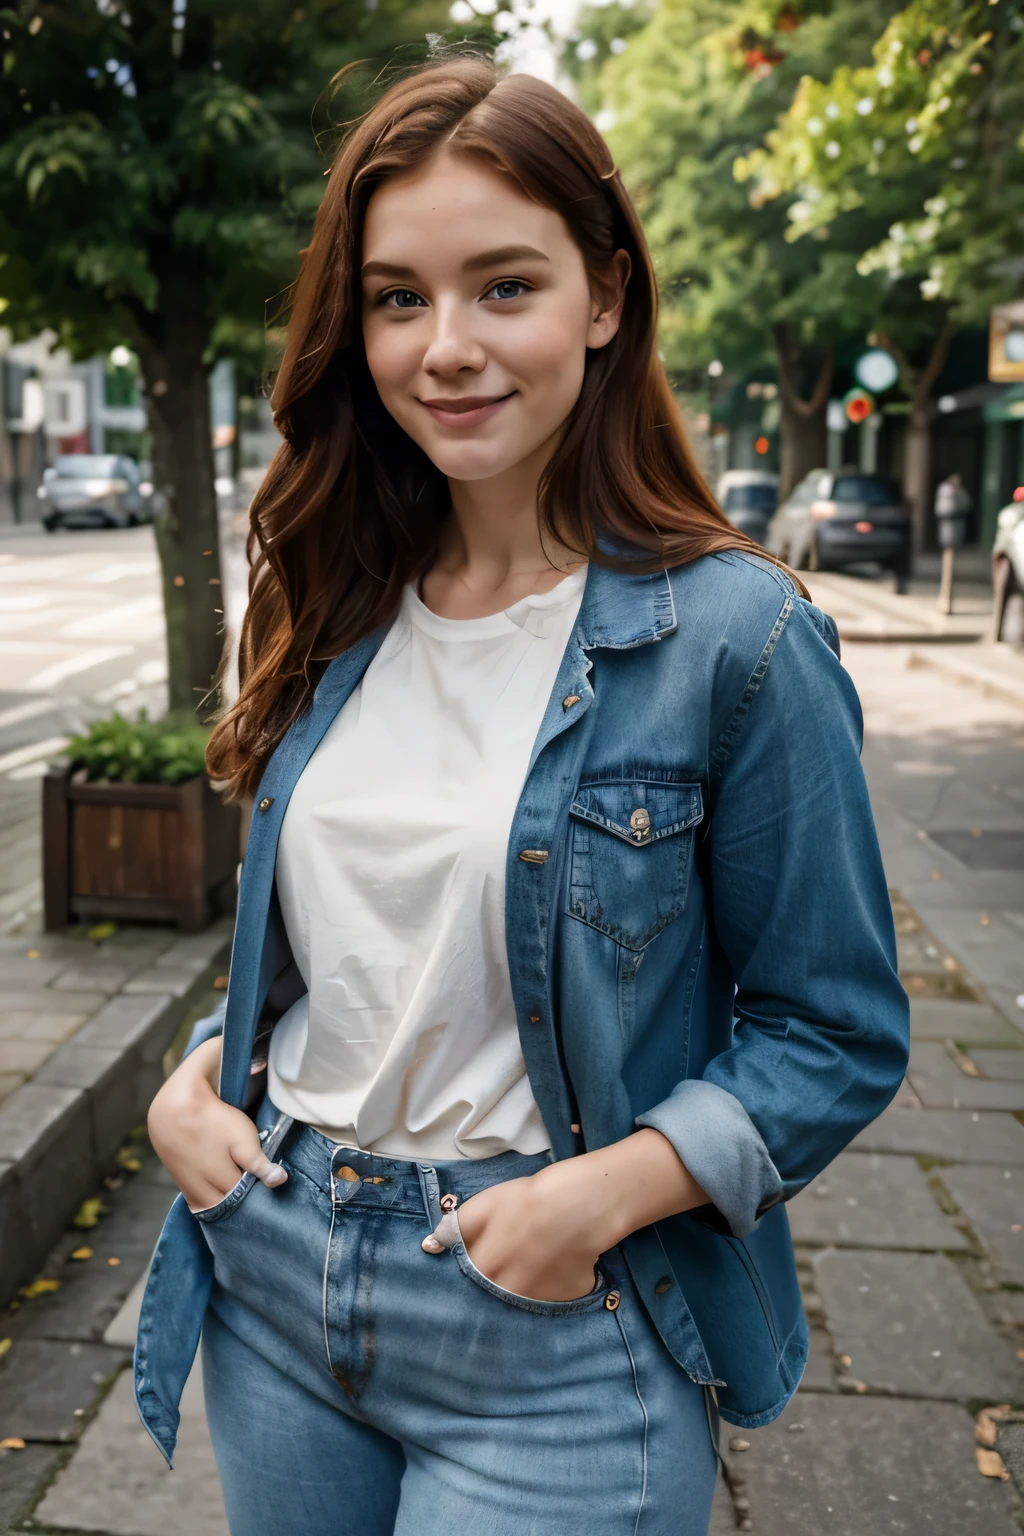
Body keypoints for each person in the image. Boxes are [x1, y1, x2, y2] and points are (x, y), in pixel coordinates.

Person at [138, 56, 908, 1536]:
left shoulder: (737, 643)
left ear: (604, 299)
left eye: (504, 287)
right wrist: (201, 1075)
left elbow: (835, 1028)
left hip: (553, 1323)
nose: (446, 347)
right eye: (397, 298)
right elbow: (360, 949)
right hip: (275, 1272)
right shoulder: (341, 602)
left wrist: (598, 1201)